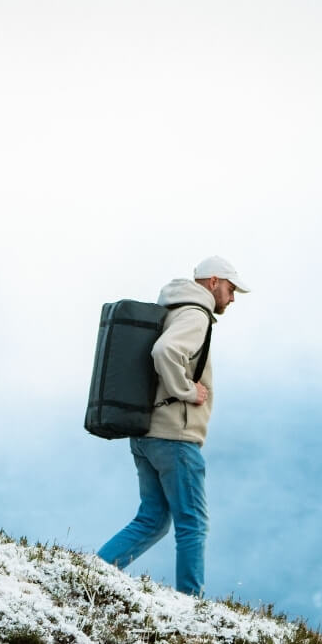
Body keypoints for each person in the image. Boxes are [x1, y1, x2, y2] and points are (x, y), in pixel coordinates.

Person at [97, 255, 249, 595]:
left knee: (152, 519)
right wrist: (186, 389)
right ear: (213, 283)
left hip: (146, 434)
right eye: (230, 288)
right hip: (174, 438)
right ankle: (191, 603)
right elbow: (165, 351)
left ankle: (93, 572)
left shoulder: (171, 309)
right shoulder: (195, 315)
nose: (232, 297)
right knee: (192, 524)